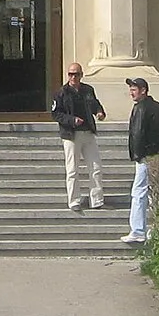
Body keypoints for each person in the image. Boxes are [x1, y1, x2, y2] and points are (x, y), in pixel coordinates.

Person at [120, 76, 159, 245]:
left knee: (139, 192)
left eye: (134, 88)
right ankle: (157, 228)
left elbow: (137, 135)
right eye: (131, 88)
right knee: (154, 192)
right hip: (156, 155)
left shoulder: (143, 108)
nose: (131, 91)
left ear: (143, 90)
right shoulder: (156, 107)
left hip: (146, 156)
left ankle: (138, 230)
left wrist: (138, 155)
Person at [49, 63, 105, 211]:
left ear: (81, 75)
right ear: (67, 75)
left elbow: (95, 104)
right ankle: (74, 200)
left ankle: (96, 199)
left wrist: (99, 112)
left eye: (76, 74)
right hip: (71, 135)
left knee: (96, 167)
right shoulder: (61, 93)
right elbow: (56, 114)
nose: (73, 77)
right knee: (72, 169)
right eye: (71, 74)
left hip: (88, 132)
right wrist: (72, 120)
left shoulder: (88, 90)